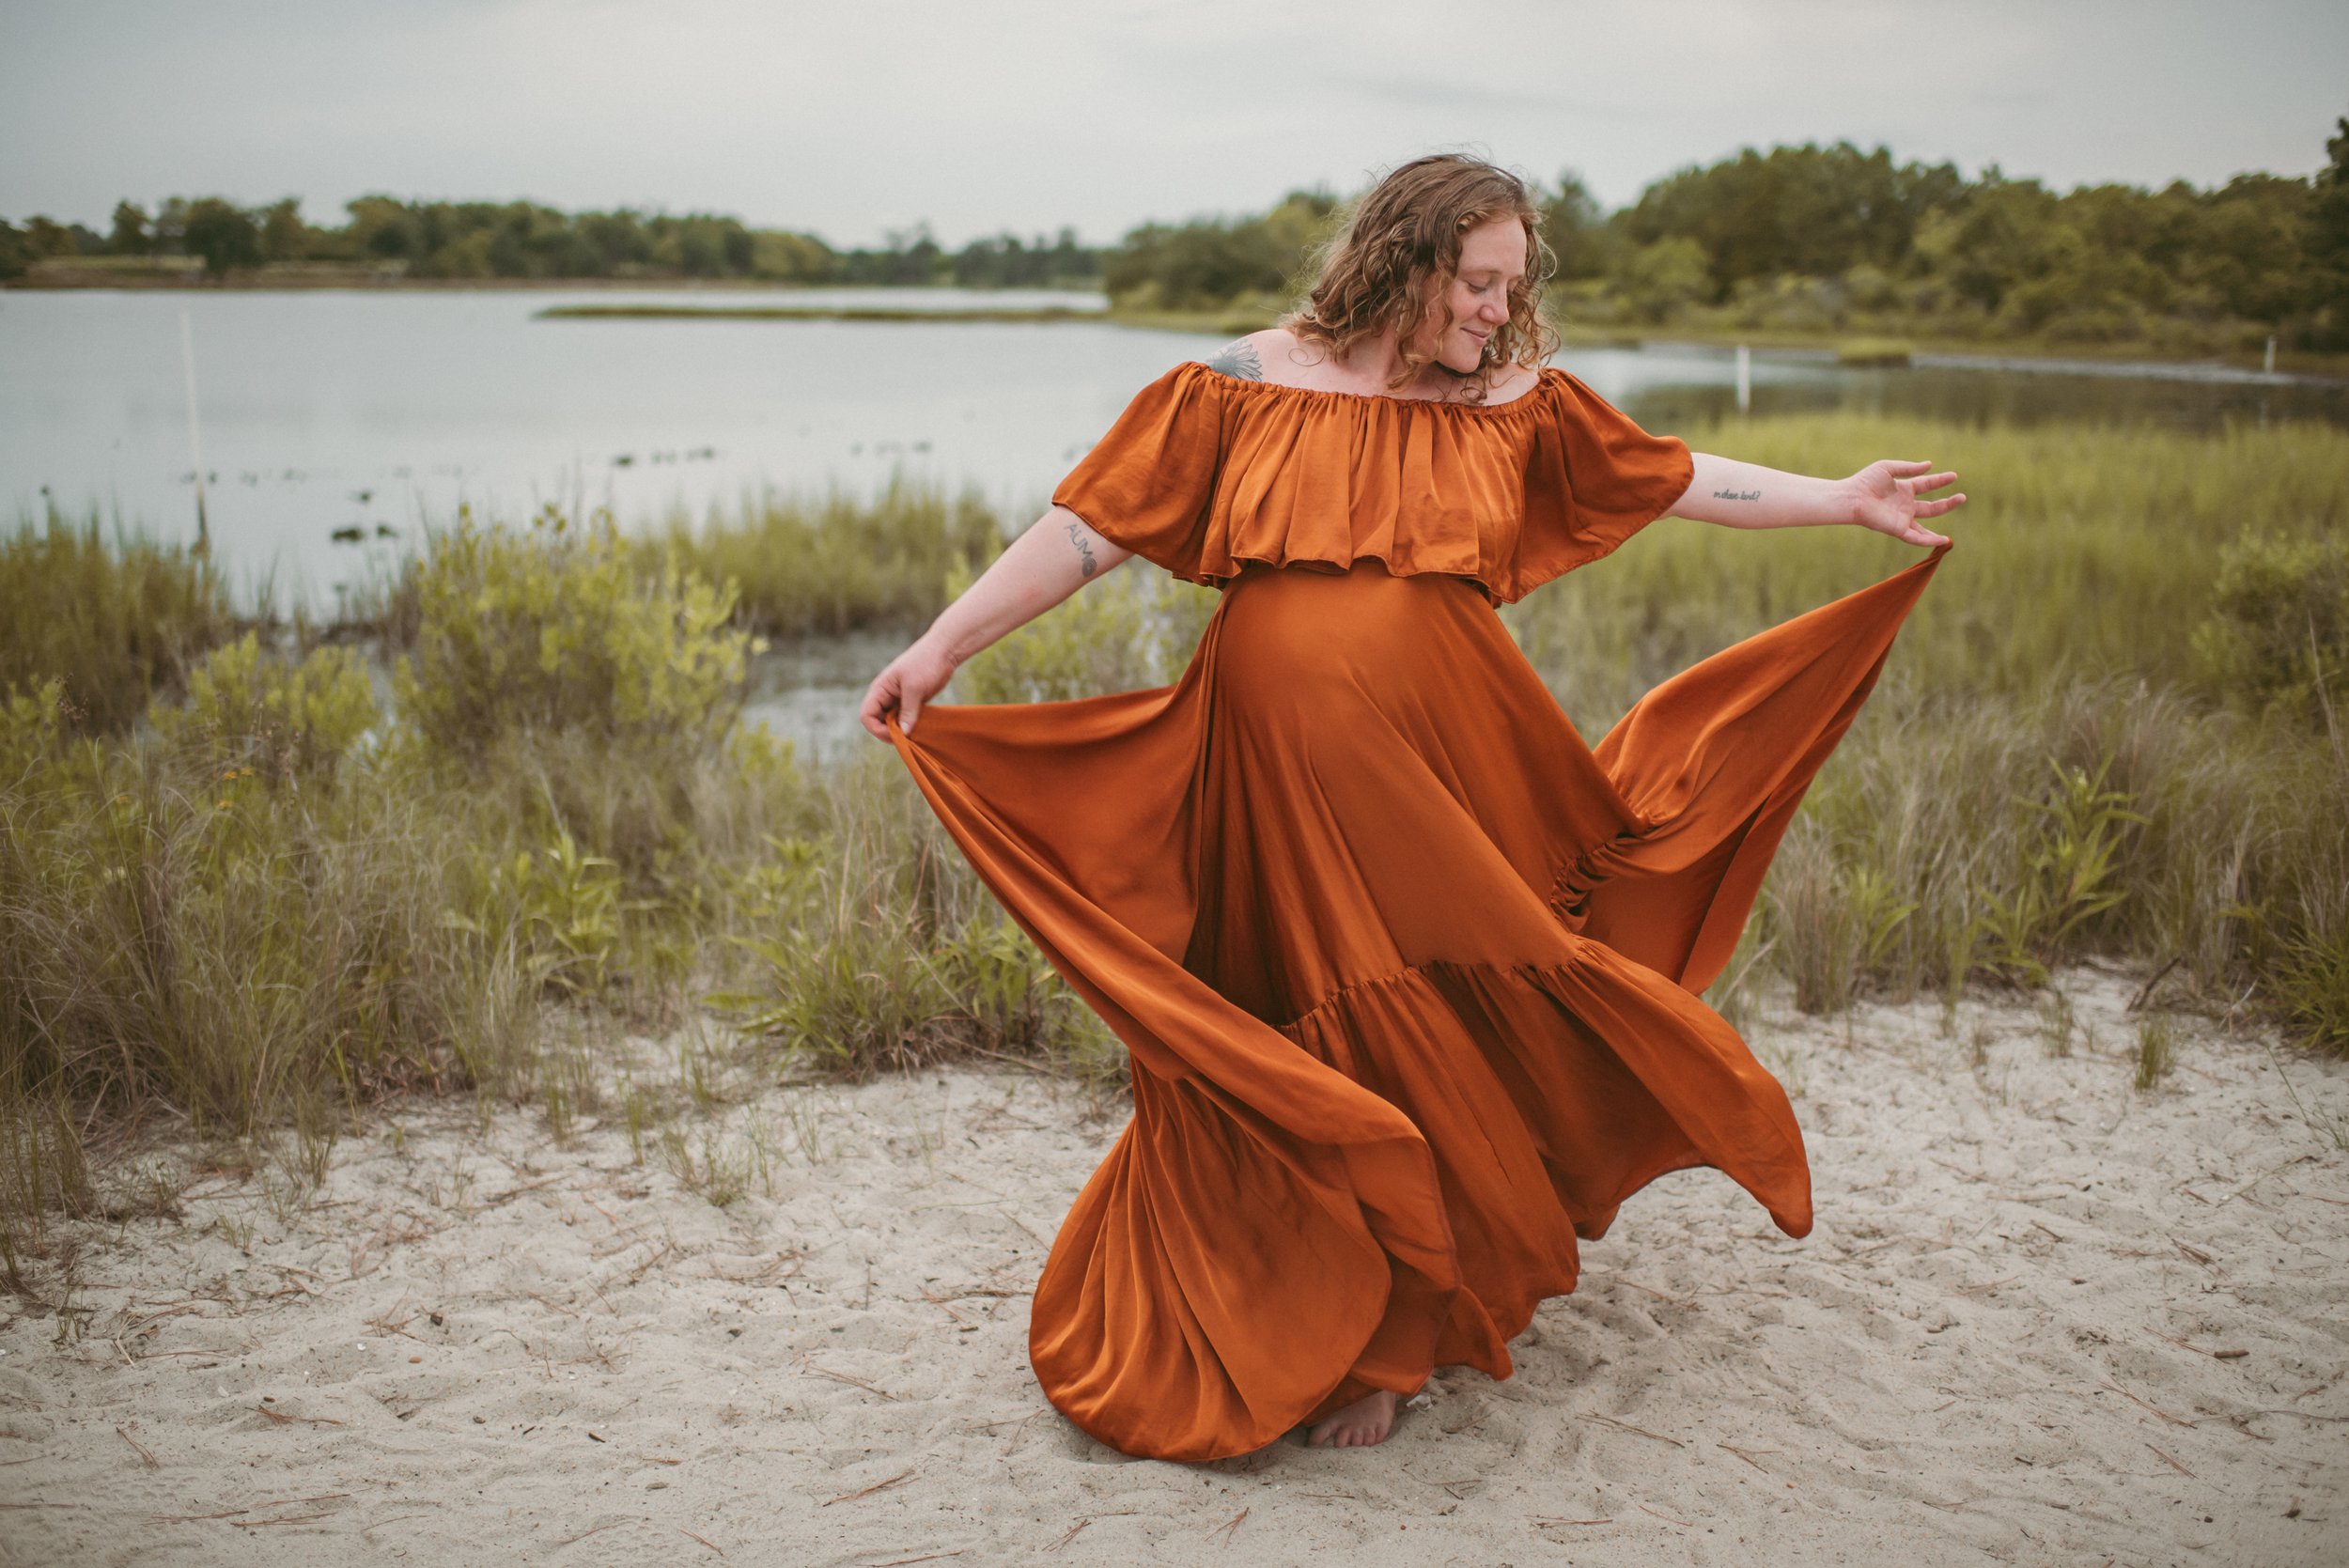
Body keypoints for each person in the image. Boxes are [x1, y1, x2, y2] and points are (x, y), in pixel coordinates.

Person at [858, 153, 1963, 1460]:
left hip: (1435, 760)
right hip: (1270, 773)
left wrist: (1838, 499)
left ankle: (1397, 1337)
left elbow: (1670, 477)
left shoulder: (1512, 405)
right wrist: (941, 645)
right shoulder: (1245, 383)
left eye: (1512, 285)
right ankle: (1339, 1305)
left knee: (1429, 1008)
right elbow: (1086, 531)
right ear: (1405, 264)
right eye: (1479, 282)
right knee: (1309, 1010)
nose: (1501, 308)